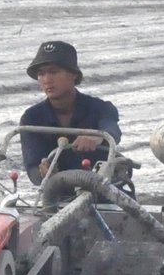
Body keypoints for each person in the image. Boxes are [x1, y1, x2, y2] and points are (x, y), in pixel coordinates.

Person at [19, 39, 121, 184]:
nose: (47, 80)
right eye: (41, 74)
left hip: (105, 190)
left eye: (54, 71)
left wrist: (97, 137)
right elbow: (32, 166)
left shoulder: (101, 108)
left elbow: (112, 130)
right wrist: (43, 172)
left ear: (73, 74)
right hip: (57, 194)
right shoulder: (31, 118)